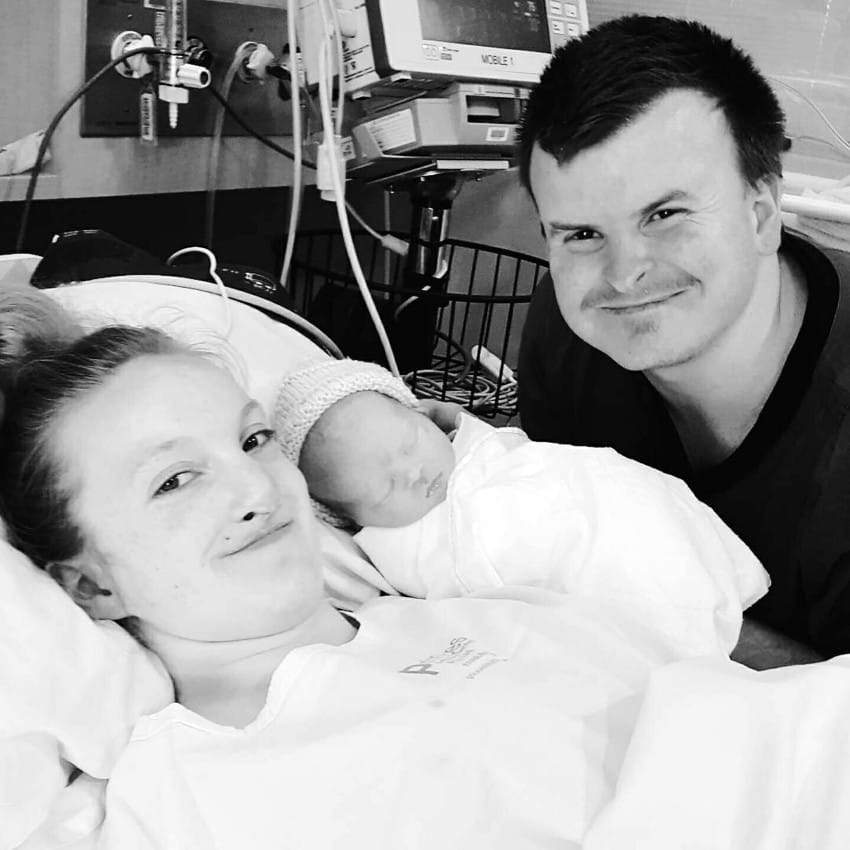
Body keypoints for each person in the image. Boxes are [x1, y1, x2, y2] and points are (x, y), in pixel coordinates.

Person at [0, 286, 764, 848]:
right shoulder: (174, 803)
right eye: (174, 481)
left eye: (254, 440)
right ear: (89, 584)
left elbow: (746, 726)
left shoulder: (507, 608)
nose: (257, 489)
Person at [515, 14, 850, 662]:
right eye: (581, 234)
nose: (623, 274)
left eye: (665, 214)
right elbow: (566, 544)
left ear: (762, 214)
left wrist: (683, 621)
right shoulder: (567, 335)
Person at [274, 356, 764, 655]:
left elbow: (505, 451)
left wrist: (461, 424)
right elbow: (462, 595)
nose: (414, 473)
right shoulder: (406, 547)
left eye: (410, 442)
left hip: (605, 492)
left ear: (423, 416)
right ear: (350, 520)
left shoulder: (462, 449)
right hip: (585, 565)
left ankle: (702, 595)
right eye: (384, 490)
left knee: (631, 501)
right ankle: (687, 625)